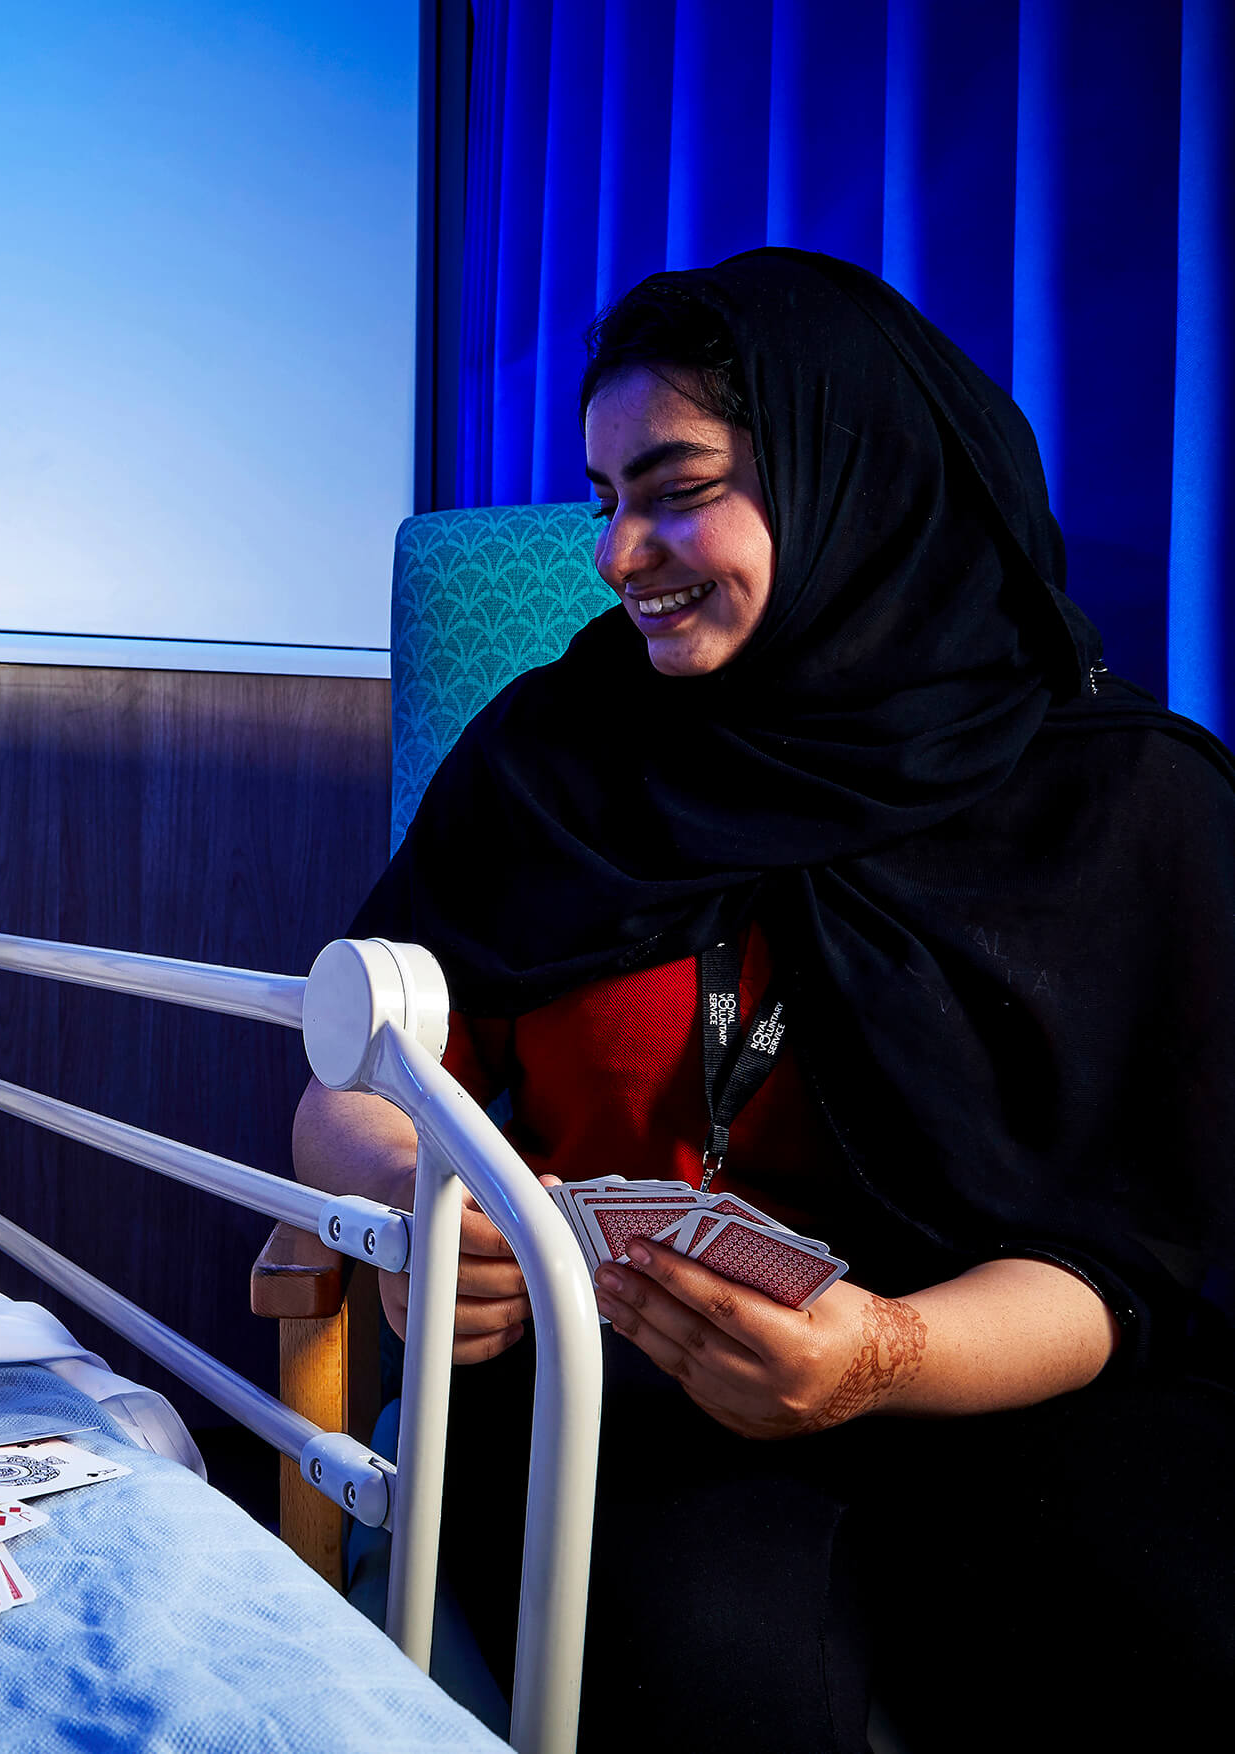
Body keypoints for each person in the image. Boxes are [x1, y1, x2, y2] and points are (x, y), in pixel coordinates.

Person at [294, 249, 1235, 1752]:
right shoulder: (553, 757)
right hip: (614, 1384)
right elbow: (351, 1077)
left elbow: (1136, 1256)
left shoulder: (1122, 800)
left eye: (673, 489)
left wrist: (880, 1355)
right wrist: (432, 1200)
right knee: (728, 1688)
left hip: (1003, 1385)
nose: (617, 554)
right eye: (603, 500)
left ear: (850, 477)